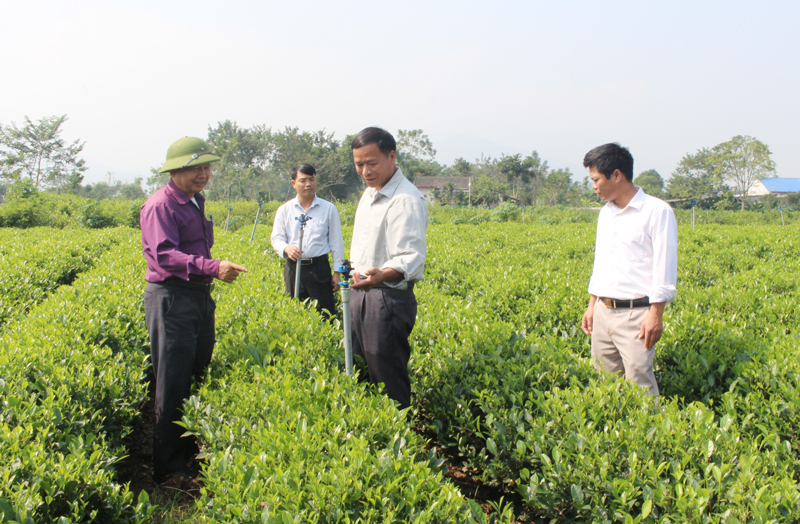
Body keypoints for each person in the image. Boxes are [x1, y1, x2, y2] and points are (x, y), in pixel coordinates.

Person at [140, 136, 248, 483]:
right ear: (176, 170)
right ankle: (168, 468)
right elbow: (165, 255)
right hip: (172, 298)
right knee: (172, 381)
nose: (204, 174)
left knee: (196, 370)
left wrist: (209, 273)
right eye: (196, 167)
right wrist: (212, 267)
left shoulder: (194, 200)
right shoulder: (161, 206)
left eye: (207, 167)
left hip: (198, 297)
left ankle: (188, 451)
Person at [580, 142, 678, 395]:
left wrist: (656, 314)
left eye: (596, 179)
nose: (594, 187)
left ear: (616, 175)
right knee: (605, 385)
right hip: (604, 312)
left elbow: (664, 267)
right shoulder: (606, 214)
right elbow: (600, 261)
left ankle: (650, 433)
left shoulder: (657, 212)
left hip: (637, 315)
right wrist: (593, 305)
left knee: (640, 387)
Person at [348, 127, 428, 410]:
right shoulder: (370, 194)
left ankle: (398, 440)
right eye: (359, 164)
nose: (365, 171)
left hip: (386, 298)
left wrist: (380, 274)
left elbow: (410, 257)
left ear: (391, 156)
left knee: (386, 377)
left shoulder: (404, 199)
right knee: (361, 370)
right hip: (362, 293)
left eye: (372, 163)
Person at [270, 164, 344, 318]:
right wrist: (286, 248)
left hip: (319, 268)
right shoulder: (285, 210)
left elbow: (337, 243)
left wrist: (337, 272)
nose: (308, 184)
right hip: (293, 268)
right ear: (293, 183)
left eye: (312, 179)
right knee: (295, 313)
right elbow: (276, 238)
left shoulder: (329, 209)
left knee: (326, 313)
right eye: (303, 180)